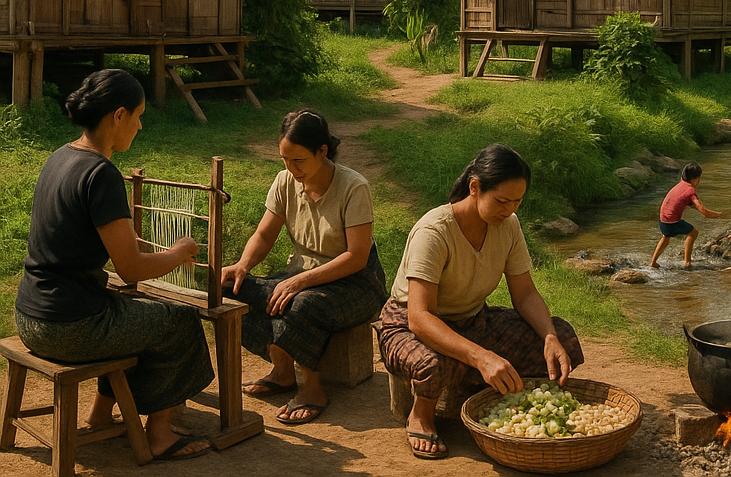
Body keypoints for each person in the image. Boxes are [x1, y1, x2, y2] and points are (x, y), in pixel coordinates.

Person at [14, 69, 214, 462]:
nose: (139, 126)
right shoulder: (101, 174)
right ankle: (159, 434)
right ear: (118, 116)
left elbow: (75, 232)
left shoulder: (61, 157)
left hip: (30, 316)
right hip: (69, 328)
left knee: (128, 316)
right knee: (179, 323)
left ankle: (102, 414)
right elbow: (132, 270)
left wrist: (132, 241)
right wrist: (179, 251)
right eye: (138, 116)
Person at [377, 143, 584, 460]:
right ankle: (420, 413)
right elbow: (420, 317)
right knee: (436, 362)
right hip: (408, 325)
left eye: (517, 202)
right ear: (474, 188)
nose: (510, 210)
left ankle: (485, 394)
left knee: (564, 337)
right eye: (502, 201)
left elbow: (525, 293)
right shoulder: (434, 232)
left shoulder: (508, 226)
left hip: (473, 320)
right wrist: (482, 357)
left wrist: (550, 337)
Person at [222, 109, 388, 425]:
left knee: (299, 303)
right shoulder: (285, 181)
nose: (291, 168)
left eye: (298, 160)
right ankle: (283, 373)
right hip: (304, 273)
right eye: (285, 159)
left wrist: (299, 282)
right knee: (230, 289)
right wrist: (242, 265)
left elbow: (356, 256)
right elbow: (264, 234)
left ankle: (313, 390)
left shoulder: (354, 187)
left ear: (322, 151)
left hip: (357, 283)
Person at [649, 161, 722, 269]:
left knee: (666, 236)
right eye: (699, 179)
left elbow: (687, 204)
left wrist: (709, 212)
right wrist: (717, 215)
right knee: (693, 232)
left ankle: (653, 262)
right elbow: (702, 210)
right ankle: (687, 262)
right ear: (693, 179)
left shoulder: (680, 185)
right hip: (672, 221)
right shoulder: (690, 190)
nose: (699, 182)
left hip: (663, 219)